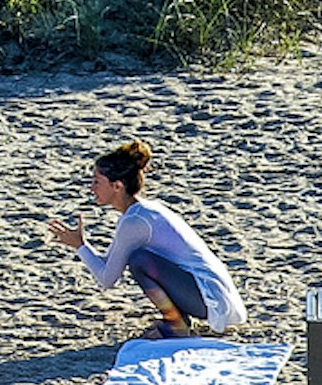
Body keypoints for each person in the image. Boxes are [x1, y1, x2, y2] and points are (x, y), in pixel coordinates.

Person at [48, 140, 248, 335]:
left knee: (140, 260)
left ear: (117, 186)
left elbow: (107, 279)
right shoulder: (144, 211)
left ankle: (176, 326)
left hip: (211, 300)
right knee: (140, 259)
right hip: (216, 295)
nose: (92, 189)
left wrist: (80, 246)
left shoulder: (135, 221)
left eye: (97, 182)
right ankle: (178, 321)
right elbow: (109, 264)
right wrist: (81, 245)